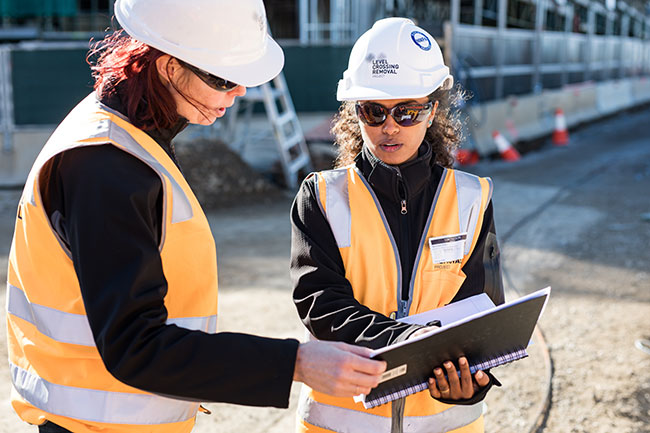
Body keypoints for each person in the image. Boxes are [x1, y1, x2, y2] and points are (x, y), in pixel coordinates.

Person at [5, 1, 388, 432]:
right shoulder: (105, 166)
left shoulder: (130, 138)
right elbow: (136, 345)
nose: (238, 91)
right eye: (223, 77)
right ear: (168, 67)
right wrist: (294, 363)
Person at [290, 18, 505, 433]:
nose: (389, 127)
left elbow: (482, 309)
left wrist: (469, 384)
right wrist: (410, 343)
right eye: (374, 111)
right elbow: (322, 305)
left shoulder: (472, 198)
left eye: (406, 112)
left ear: (432, 111)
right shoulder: (321, 197)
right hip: (339, 424)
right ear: (355, 112)